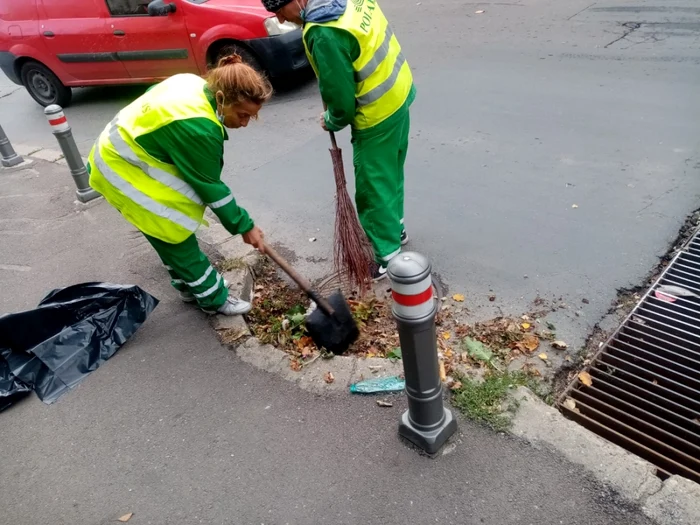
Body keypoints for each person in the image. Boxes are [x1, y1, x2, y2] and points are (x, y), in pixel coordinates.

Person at [87, 55, 272, 316]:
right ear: (221, 98)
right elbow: (210, 187)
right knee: (173, 231)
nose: (244, 123)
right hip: (121, 170)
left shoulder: (192, 83)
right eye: (242, 115)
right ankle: (213, 299)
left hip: (124, 154)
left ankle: (188, 285)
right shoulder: (199, 128)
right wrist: (245, 225)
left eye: (251, 118)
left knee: (166, 233)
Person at [262, 0, 415, 280]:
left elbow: (341, 99)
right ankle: (396, 228)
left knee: (373, 186)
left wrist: (332, 119)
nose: (280, 18)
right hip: (398, 91)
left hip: (377, 114)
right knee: (391, 171)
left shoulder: (323, 30)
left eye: (278, 9)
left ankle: (389, 257)